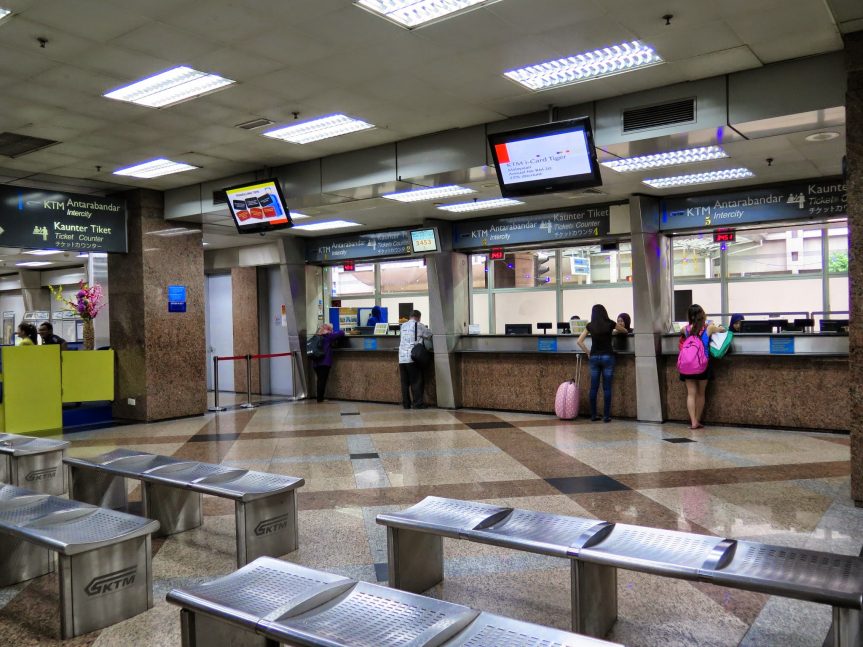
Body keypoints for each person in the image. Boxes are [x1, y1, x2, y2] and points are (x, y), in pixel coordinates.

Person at [679, 304, 726, 430]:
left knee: (691, 393)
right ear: (703, 315)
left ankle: (693, 421)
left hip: (687, 365)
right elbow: (722, 330)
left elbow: (680, 333)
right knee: (701, 393)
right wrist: (720, 327)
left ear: (690, 316)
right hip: (702, 365)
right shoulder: (708, 328)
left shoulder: (686, 329)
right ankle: (697, 420)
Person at [578, 305, 626, 422]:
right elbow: (624, 330)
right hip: (607, 357)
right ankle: (606, 416)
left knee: (593, 388)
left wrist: (588, 352)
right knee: (607, 388)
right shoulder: (610, 323)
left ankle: (593, 415)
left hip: (594, 357)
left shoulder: (590, 325)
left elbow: (579, 341)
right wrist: (613, 331)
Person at [399, 310, 432, 409]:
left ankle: (406, 404)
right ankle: (418, 404)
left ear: (410, 316)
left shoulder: (403, 326)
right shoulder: (419, 325)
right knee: (416, 381)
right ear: (418, 317)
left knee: (405, 383)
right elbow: (429, 334)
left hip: (401, 358)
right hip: (412, 357)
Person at [310, 323, 345, 403]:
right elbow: (341, 333)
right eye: (331, 329)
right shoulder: (328, 336)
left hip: (316, 362)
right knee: (322, 380)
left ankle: (319, 397)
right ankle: (320, 399)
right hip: (324, 363)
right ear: (329, 329)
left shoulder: (316, 336)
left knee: (319, 380)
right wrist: (332, 332)